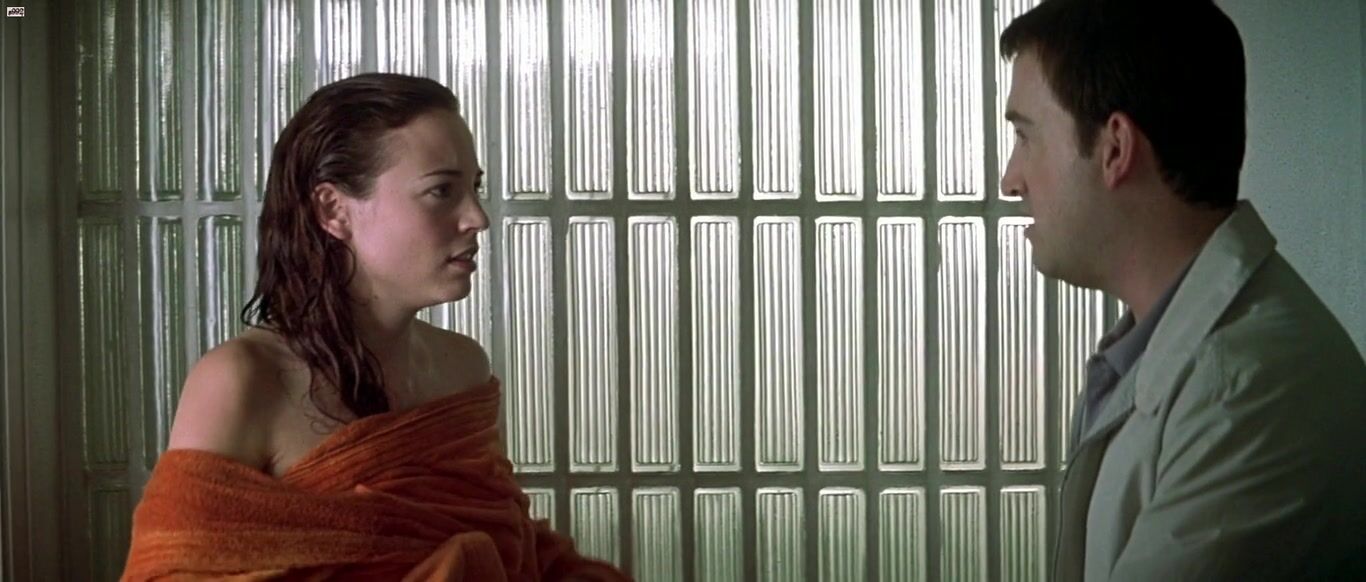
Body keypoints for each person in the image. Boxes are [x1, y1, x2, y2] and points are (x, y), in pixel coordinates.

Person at [123, 73, 629, 581]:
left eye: (473, 188)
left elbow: (516, 546)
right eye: (441, 191)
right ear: (334, 210)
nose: (477, 217)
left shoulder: (464, 369)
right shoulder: (241, 380)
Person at [999, 0, 1366, 580]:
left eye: (1026, 136)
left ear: (1115, 149)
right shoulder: (1168, 353)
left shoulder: (1245, 390)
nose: (1010, 179)